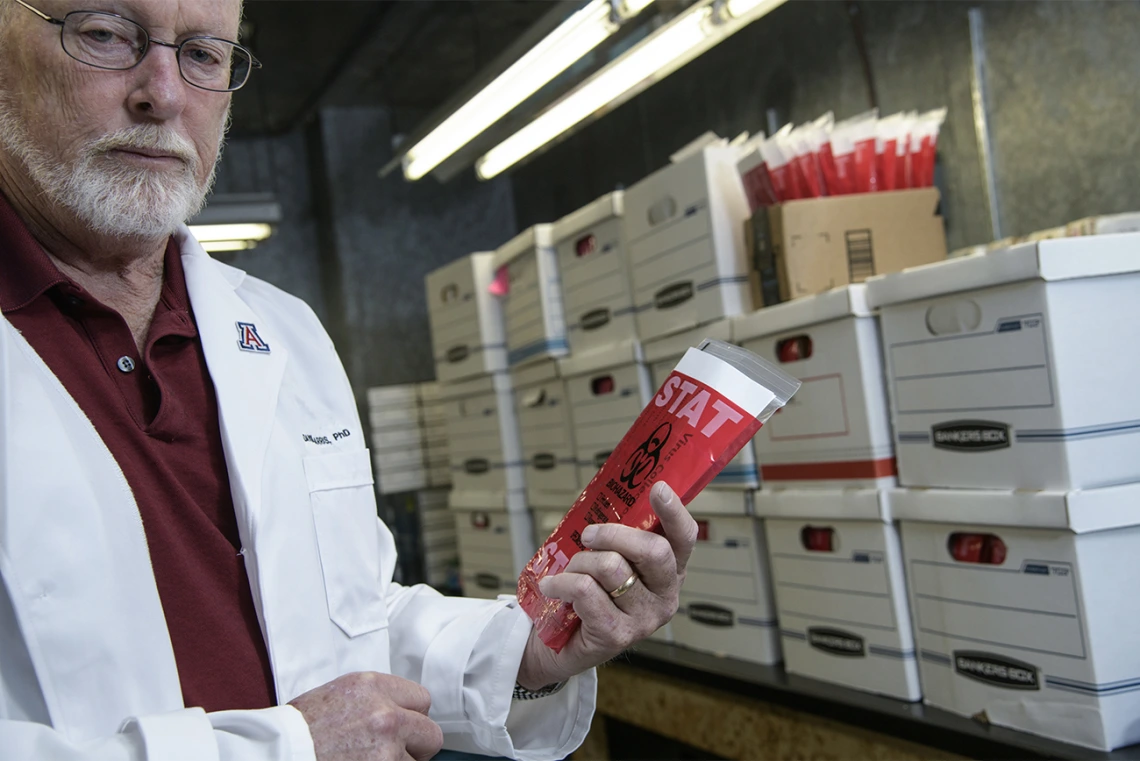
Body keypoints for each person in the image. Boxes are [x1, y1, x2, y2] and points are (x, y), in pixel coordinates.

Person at [0, 0, 700, 759]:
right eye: (106, 35)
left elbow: (351, 621)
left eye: (203, 54)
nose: (164, 93)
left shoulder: (282, 331)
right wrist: (283, 749)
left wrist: (531, 646)